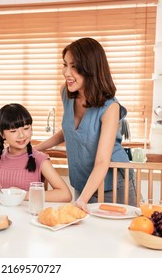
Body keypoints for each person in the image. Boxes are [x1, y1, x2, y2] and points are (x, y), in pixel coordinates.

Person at [34, 37, 135, 211]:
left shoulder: (110, 107)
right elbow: (70, 130)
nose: (66, 73)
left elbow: (103, 161)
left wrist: (81, 200)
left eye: (74, 66)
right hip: (83, 180)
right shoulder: (66, 92)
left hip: (112, 185)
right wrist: (38, 147)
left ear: (90, 69)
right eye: (65, 65)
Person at [0, 103, 72, 202]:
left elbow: (65, 195)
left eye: (26, 128)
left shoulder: (40, 159)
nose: (21, 135)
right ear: (2, 134)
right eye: (13, 131)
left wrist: (24, 195)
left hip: (28, 216)